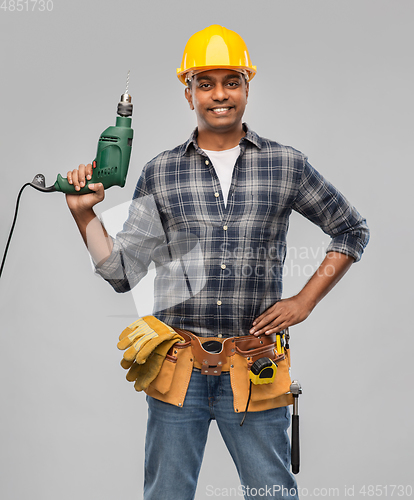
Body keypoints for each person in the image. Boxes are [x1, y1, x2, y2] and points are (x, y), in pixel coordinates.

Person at [65, 25, 369, 500]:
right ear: (188, 94)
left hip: (254, 367)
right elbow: (122, 273)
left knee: (272, 494)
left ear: (247, 87)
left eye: (231, 81)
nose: (219, 95)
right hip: (177, 371)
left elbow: (351, 230)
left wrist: (305, 301)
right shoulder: (161, 171)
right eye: (205, 83)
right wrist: (86, 217)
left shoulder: (285, 164)